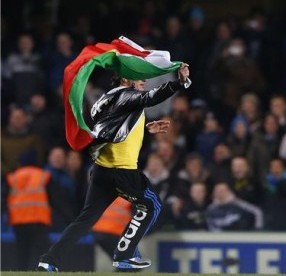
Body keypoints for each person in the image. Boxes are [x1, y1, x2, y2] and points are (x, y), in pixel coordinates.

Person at [37, 63, 191, 272]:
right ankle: (125, 255)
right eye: (139, 76)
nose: (144, 80)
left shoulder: (109, 97)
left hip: (102, 170)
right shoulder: (126, 95)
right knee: (152, 206)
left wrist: (144, 128)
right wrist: (179, 82)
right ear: (125, 79)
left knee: (85, 219)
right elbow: (151, 97)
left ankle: (49, 260)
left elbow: (109, 127)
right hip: (121, 170)